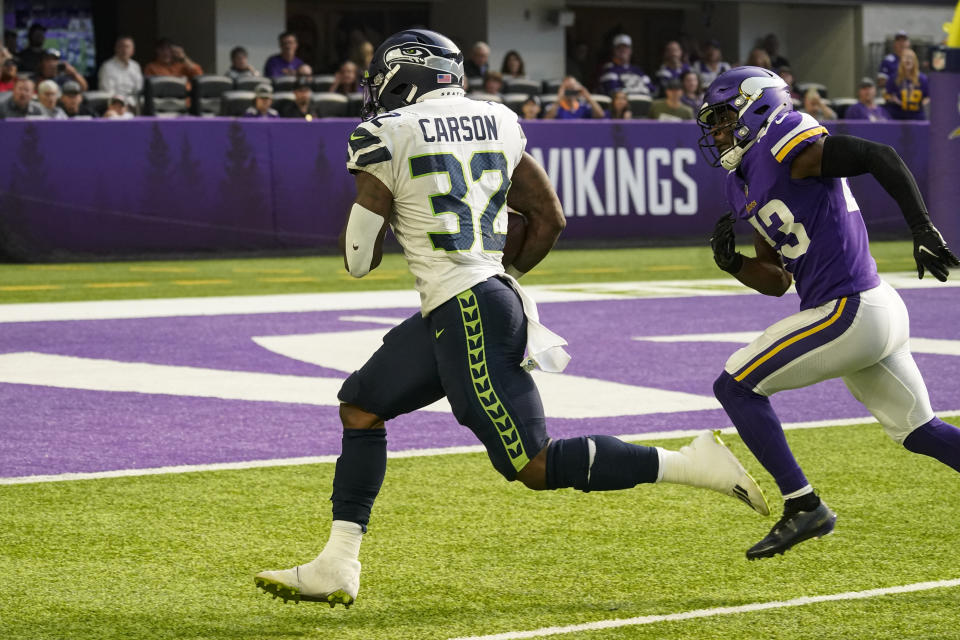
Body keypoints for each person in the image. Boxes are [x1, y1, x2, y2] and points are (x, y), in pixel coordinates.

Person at [253, 28, 768, 607]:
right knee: (362, 406)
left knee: (532, 463)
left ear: (407, 74)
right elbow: (549, 217)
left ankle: (692, 464)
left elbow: (356, 261)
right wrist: (500, 277)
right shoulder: (498, 120)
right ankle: (337, 563)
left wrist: (391, 203)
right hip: (480, 296)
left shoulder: (385, 133)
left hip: (465, 305)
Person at [698, 65, 960, 560]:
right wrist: (734, 265)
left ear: (756, 105)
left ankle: (803, 505)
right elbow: (777, 281)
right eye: (712, 123)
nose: (717, 131)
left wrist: (923, 229)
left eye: (724, 118)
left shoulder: (785, 136)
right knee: (920, 431)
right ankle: (803, 506)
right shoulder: (742, 181)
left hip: (850, 306)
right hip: (863, 312)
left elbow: (879, 155)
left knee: (735, 385)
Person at [884, 48, 928, 121]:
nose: (908, 60)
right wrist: (894, 100)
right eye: (905, 57)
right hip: (897, 117)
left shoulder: (923, 79)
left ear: (915, 61)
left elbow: (928, 97)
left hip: (917, 117)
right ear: (900, 61)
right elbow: (887, 95)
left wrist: (922, 104)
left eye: (910, 58)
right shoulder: (893, 78)